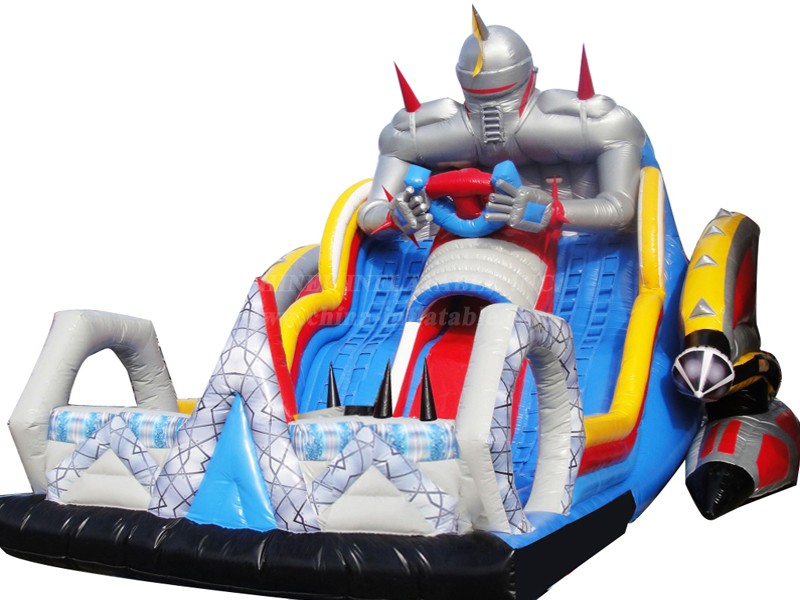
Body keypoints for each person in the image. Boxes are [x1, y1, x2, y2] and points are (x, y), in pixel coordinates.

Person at [357, 9, 647, 241]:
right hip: (462, 250)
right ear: (531, 74)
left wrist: (552, 211)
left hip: (565, 245)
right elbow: (370, 213)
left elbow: (621, 209)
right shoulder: (410, 136)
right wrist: (396, 214)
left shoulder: (598, 124)